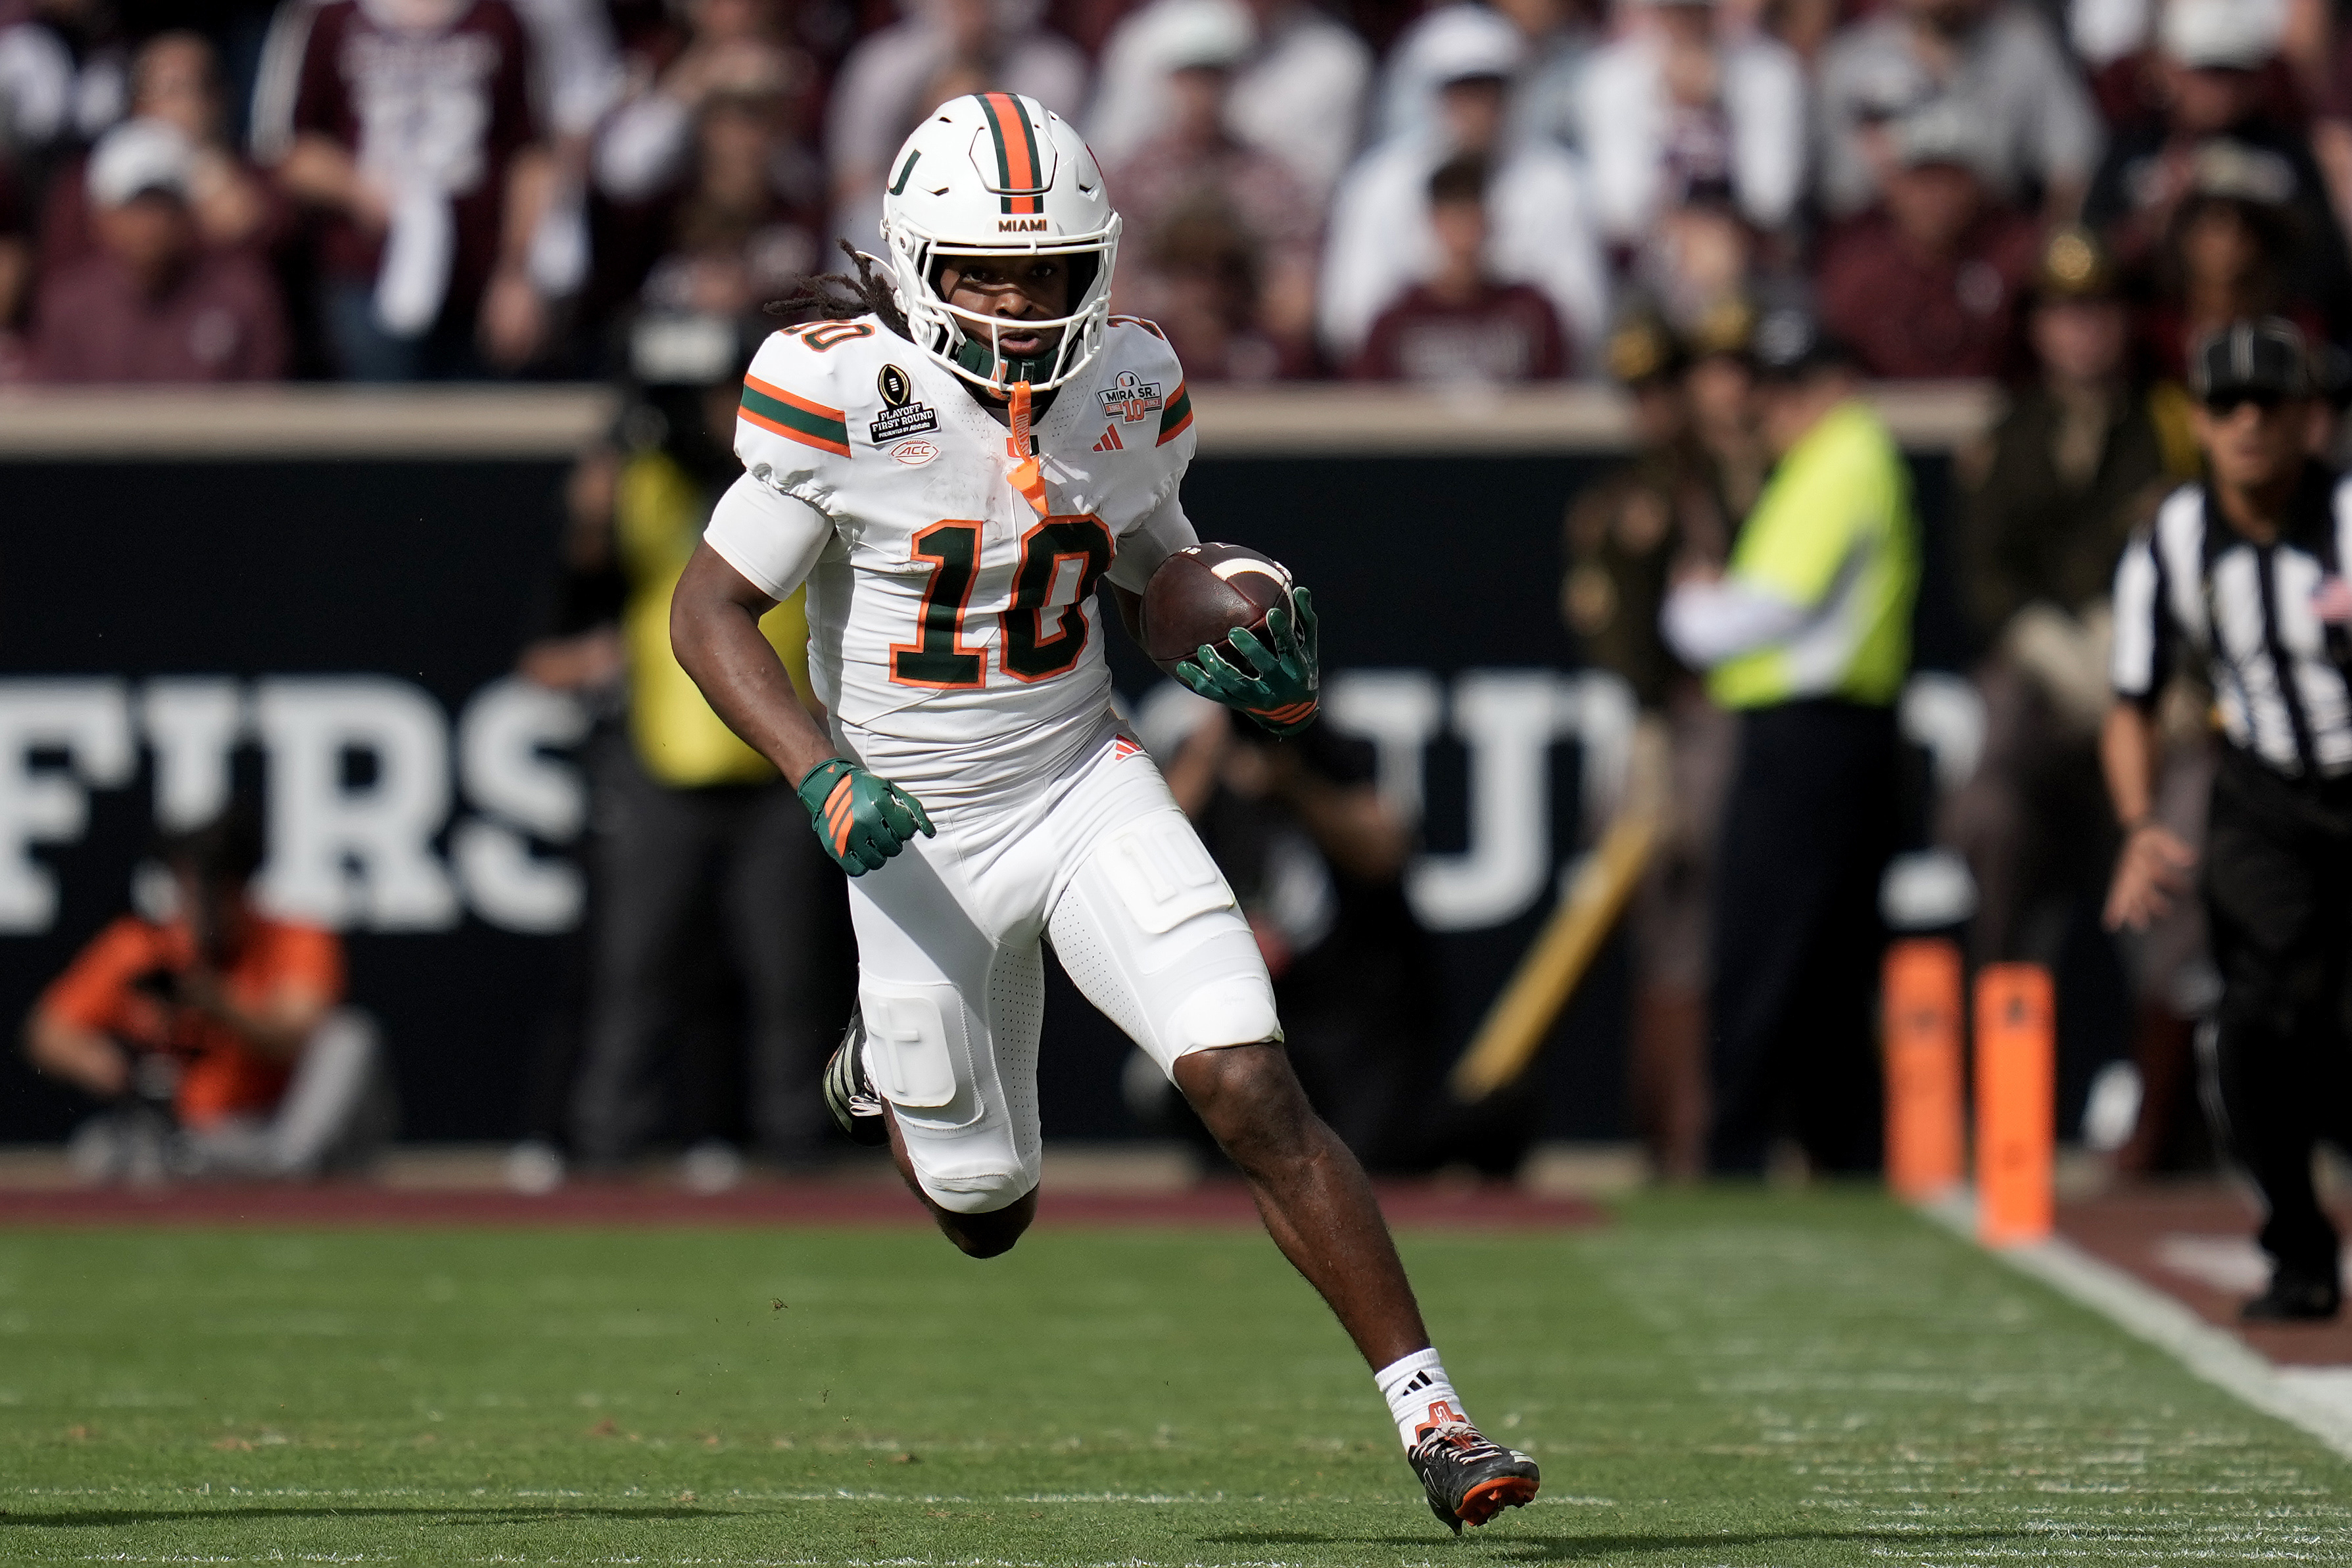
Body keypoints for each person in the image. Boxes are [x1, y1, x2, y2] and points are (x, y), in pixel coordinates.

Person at [665, 92, 1541, 1531]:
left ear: (1101, 266)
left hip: (1078, 781)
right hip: (911, 829)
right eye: (985, 272)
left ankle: (1434, 1415)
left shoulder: (1129, 379)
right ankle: (886, 1072)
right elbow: (708, 613)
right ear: (914, 258)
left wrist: (1228, 632)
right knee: (986, 1212)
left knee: (1247, 1079)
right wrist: (820, 773)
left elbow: (1148, 564)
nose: (1018, 305)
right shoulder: (837, 387)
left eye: (1047, 272)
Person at [2103, 318, 2352, 1321]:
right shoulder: (2169, 537)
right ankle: (2297, 1246)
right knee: (2253, 1027)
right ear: (2198, 423)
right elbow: (2131, 699)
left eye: (2269, 404)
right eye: (2225, 405)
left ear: (2310, 417)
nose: (2248, 424)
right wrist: (2136, 823)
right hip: (2263, 797)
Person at [552, 317, 842, 1174]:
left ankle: (798, 1148)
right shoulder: (644, 482)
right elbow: (588, 546)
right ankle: (608, 1148)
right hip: (664, 762)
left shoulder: (796, 477)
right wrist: (622, 433)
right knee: (635, 970)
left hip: (779, 760)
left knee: (791, 974)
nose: (711, 413)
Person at [1661, 309, 1920, 1176]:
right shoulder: (1835, 459)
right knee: (1827, 959)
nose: (1771, 410)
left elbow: (1768, 608)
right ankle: (1840, 1150)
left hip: (1809, 737)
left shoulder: (1840, 458)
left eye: (1784, 391)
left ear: (1827, 385)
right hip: (1831, 734)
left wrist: (1692, 612)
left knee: (1764, 949)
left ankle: (1736, 1149)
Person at [1560, 308, 1747, 1179]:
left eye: (1660, 387)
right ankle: (1672, 1125)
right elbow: (1611, 627)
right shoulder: (1627, 498)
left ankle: (1700, 1127)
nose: (1652, 407)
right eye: (1638, 392)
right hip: (1663, 717)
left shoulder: (1732, 477)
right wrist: (1644, 727)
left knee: (1710, 921)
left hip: (1727, 710)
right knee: (1662, 920)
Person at [22, 809, 391, 1183]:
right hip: (191, 1136)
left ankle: (281, 1171)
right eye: (192, 887)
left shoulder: (291, 938)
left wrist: (217, 1003)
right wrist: (112, 1067)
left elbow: (294, 1036)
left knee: (350, 1036)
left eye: (219, 888)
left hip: (277, 1129)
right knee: (97, 1150)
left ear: (242, 887)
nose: (205, 906)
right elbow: (47, 1032)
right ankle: (210, 1173)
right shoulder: (142, 947)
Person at [251, 0, 552, 379]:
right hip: (367, 276)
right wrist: (360, 190)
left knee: (481, 426)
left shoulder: (502, 19)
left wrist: (517, 272)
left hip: (479, 279)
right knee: (382, 425)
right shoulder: (327, 17)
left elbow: (531, 155)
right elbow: (283, 145)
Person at [1318, 7, 1606, 369]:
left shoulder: (1557, 181)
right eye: (1461, 90)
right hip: (1405, 394)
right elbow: (1349, 317)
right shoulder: (1378, 183)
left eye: (1489, 88)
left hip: (1524, 393)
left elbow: (1581, 315)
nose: (1476, 105)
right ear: (1433, 94)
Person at [1102, 0, 1320, 381]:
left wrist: (1225, 300)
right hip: (1149, 355)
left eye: (1214, 77)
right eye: (1191, 77)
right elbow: (1112, 297)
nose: (1202, 92)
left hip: (1249, 355)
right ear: (1169, 82)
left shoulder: (1273, 179)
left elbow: (1295, 304)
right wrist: (1186, 305)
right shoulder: (1133, 179)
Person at [32, 116, 288, 381]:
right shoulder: (70, 307)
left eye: (164, 205)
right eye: (136, 206)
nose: (151, 223)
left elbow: (263, 406)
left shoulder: (243, 296)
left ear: (189, 213)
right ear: (103, 217)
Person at [1815, 0, 2102, 222]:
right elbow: (1840, 197)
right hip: (1886, 255)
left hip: (1995, 248)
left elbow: (2074, 170)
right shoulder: (1849, 61)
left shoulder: (2021, 47)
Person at [1813, 103, 2042, 381]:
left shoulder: (2016, 252)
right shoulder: (1855, 264)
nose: (1936, 196)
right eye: (1922, 179)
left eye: (1951, 179)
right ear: (1892, 185)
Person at [1349, 152, 1568, 382]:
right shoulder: (1397, 320)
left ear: (1490, 220)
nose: (1464, 233)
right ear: (1433, 222)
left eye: (1472, 216)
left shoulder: (1531, 312)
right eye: (1454, 217)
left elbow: (1555, 397)